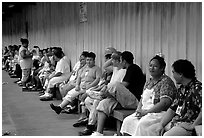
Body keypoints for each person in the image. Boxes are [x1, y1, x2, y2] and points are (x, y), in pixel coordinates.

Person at [91, 51, 145, 136]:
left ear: (124, 61)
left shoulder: (133, 68)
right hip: (125, 100)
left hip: (135, 101)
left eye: (120, 60)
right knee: (103, 104)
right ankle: (99, 133)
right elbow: (105, 67)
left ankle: (101, 94)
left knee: (114, 85)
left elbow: (123, 85)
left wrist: (107, 88)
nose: (119, 62)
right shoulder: (127, 69)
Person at [120, 54, 177, 136]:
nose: (152, 68)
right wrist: (138, 111)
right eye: (150, 66)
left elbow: (164, 103)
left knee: (142, 124)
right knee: (128, 121)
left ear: (162, 68)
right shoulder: (149, 82)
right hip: (145, 111)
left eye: (155, 66)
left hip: (158, 113)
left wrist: (146, 112)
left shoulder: (166, 82)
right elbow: (142, 99)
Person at [78, 51, 126, 136]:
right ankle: (94, 121)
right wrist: (112, 57)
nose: (112, 62)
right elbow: (105, 66)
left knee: (96, 102)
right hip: (107, 92)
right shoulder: (115, 69)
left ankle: (91, 126)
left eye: (114, 60)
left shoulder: (123, 70)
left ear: (119, 61)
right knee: (88, 101)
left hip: (114, 95)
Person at [150, 59, 202, 136]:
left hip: (188, 126)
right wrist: (161, 124)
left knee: (167, 136)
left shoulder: (197, 88)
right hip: (177, 122)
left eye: (173, 72)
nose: (173, 75)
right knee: (152, 130)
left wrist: (193, 125)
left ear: (180, 74)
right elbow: (172, 109)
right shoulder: (181, 89)